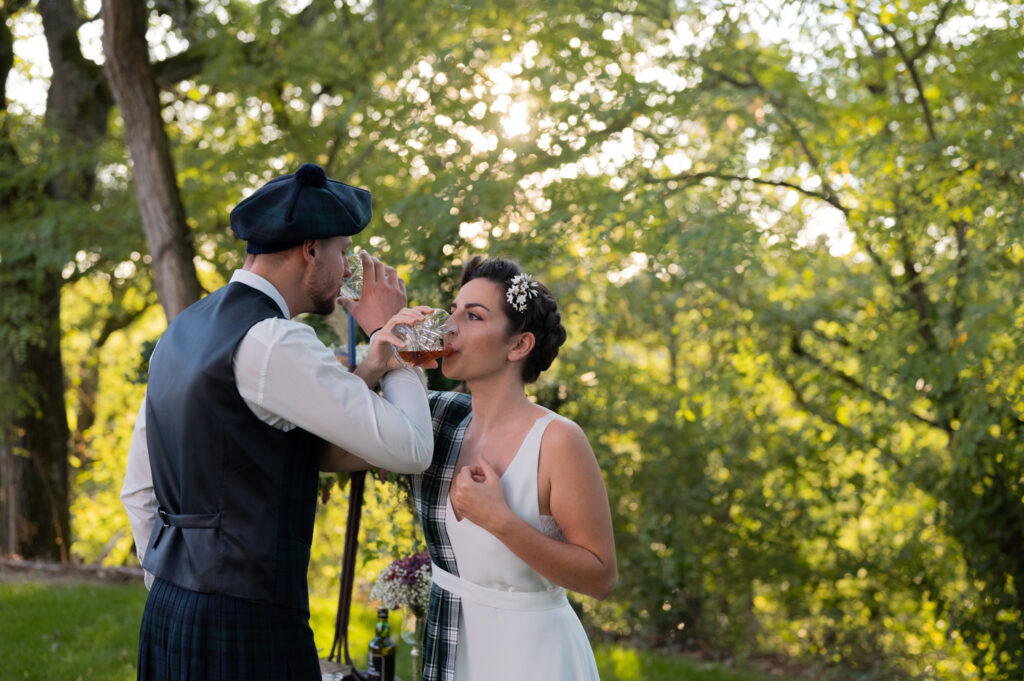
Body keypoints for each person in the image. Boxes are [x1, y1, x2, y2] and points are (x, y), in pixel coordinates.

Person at [120, 163, 435, 681]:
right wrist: (391, 334)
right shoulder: (276, 340)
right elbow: (412, 447)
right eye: (340, 250)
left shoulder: (183, 330)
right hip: (248, 621)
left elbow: (140, 489)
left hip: (170, 609)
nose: (345, 267)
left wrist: (177, 589)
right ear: (310, 250)